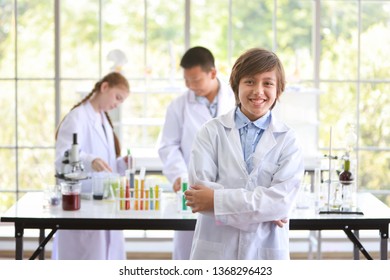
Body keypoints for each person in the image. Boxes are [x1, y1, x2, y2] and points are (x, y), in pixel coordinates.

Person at [185, 48, 304, 260]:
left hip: (265, 250)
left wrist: (217, 201)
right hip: (216, 251)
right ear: (236, 86)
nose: (258, 91)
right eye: (250, 81)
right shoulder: (210, 131)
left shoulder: (287, 139)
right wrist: (265, 212)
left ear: (278, 90)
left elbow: (281, 202)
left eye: (268, 83)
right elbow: (200, 194)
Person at [158, 46, 235, 260]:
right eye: (186, 80)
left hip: (229, 190)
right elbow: (168, 146)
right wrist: (181, 177)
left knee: (226, 256)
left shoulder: (236, 99)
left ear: (212, 73)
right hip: (192, 189)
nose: (191, 86)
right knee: (189, 255)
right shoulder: (178, 106)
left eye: (196, 80)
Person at [53, 72, 130, 260]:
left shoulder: (104, 120)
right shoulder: (77, 117)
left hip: (104, 203)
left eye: (121, 102)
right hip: (82, 203)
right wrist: (89, 160)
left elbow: (107, 163)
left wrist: (121, 164)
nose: (117, 104)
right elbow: (62, 157)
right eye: (117, 97)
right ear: (104, 87)